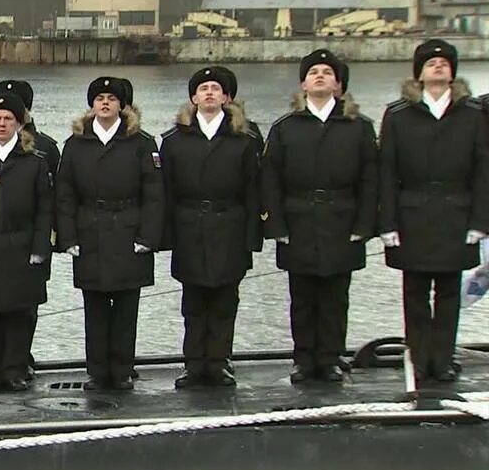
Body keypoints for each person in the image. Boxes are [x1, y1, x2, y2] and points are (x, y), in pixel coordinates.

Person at [261, 49, 378, 384]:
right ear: (303, 84)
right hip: (299, 220)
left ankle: (329, 357)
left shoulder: (358, 127)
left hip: (343, 219)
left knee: (335, 297)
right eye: (314, 72)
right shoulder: (285, 128)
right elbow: (271, 178)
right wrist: (276, 224)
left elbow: (371, 179)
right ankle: (304, 358)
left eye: (328, 72)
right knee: (302, 297)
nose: (320, 76)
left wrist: (364, 225)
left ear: (338, 85)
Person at [378, 39, 489, 383]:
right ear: (419, 74)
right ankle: (420, 358)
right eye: (431, 63)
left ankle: (442, 360)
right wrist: (387, 221)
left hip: (457, 214)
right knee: (414, 292)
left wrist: (481, 221)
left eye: (444, 62)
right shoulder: (398, 115)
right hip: (412, 214)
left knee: (449, 293)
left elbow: (483, 171)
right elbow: (387, 171)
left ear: (453, 72)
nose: (438, 66)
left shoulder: (472, 114)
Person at [55, 77, 164, 391]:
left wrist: (148, 237)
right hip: (91, 230)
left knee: (127, 307)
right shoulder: (75, 144)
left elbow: (154, 194)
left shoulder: (142, 142)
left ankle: (122, 369)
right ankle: (97, 370)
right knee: (96, 307)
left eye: (111, 99)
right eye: (100, 98)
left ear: (122, 105)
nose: (105, 103)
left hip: (128, 228)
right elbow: (65, 194)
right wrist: (69, 237)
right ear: (92, 105)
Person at [160, 66, 262, 388]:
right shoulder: (175, 141)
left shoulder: (244, 139)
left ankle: (218, 362)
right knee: (193, 302)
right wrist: (166, 236)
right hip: (189, 226)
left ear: (226, 97)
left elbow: (254, 191)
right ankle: (194, 364)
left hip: (229, 225)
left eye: (215, 89)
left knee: (224, 300)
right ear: (193, 98)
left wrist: (252, 237)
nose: (208, 94)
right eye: (202, 89)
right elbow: (165, 191)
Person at [0, 92, 53, 394]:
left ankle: (16, 370)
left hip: (23, 243)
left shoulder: (34, 162)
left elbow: (45, 208)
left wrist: (40, 248)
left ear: (19, 124)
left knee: (21, 312)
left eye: (8, 119)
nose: (2, 124)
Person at [0, 79, 58, 378]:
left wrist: (45, 243)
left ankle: (20, 361)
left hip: (30, 237)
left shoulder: (44, 148)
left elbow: (53, 198)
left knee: (25, 304)